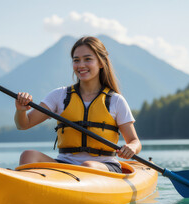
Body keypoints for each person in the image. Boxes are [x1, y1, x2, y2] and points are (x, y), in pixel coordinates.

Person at [14, 36, 141, 173]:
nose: (81, 65)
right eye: (76, 60)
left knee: (88, 166)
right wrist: (21, 110)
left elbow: (135, 141)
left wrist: (132, 148)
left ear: (101, 63)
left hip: (103, 166)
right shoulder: (59, 95)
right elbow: (23, 124)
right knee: (28, 155)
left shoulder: (116, 100)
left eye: (87, 59)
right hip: (65, 165)